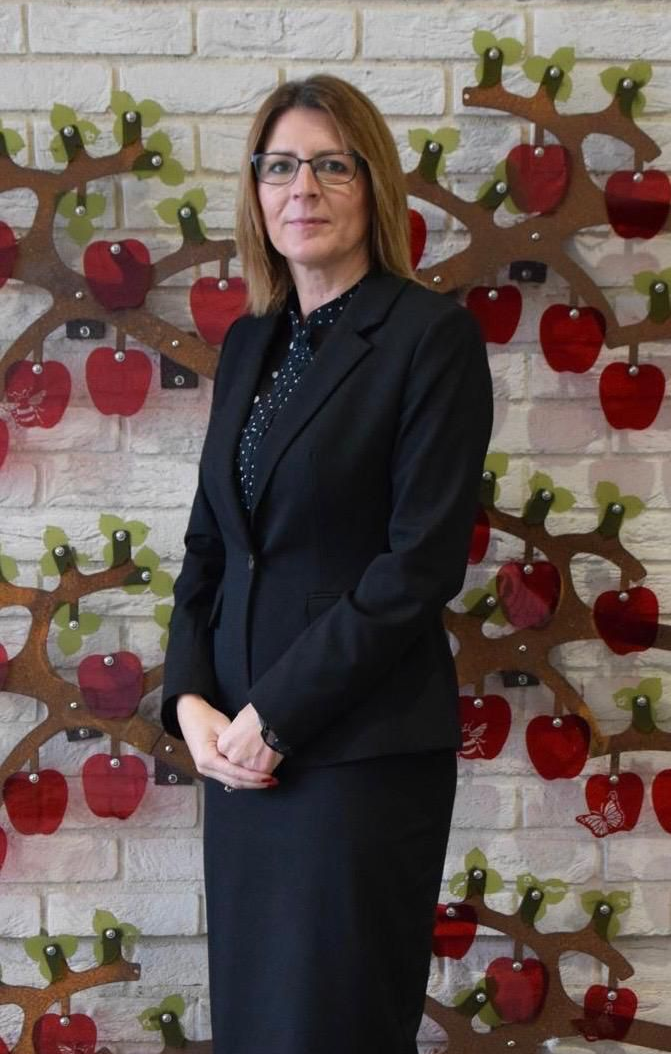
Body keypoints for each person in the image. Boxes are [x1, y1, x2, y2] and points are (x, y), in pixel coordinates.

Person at [160, 74, 493, 1054]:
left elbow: (414, 566)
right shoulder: (252, 343)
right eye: (278, 166)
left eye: (327, 163)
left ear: (370, 184)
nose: (299, 186)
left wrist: (275, 714)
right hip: (239, 763)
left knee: (332, 1027)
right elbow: (208, 547)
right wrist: (191, 700)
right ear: (255, 193)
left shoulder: (429, 339)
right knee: (260, 1029)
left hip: (352, 757)